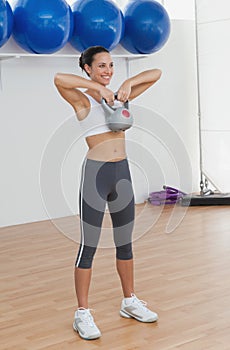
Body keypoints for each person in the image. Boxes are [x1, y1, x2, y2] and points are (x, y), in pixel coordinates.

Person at [54, 46, 162, 340]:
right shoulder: (82, 100)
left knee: (124, 243)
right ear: (88, 69)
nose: (108, 71)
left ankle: (129, 301)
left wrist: (126, 84)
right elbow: (59, 79)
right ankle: (82, 313)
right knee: (88, 246)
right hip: (96, 176)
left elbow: (156, 73)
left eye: (111, 66)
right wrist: (95, 88)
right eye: (101, 66)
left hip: (122, 175)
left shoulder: (119, 97)